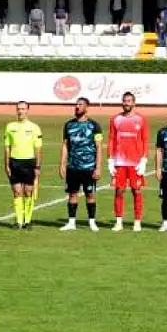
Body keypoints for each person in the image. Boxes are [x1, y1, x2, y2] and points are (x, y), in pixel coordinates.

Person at [60, 97, 102, 232]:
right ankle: (71, 222)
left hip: (88, 167)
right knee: (72, 194)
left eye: (80, 104)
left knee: (90, 195)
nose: (77, 107)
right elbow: (65, 145)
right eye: (76, 104)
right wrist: (62, 164)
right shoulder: (68, 125)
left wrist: (98, 167)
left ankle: (92, 222)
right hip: (72, 167)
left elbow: (99, 147)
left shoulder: (94, 126)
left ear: (86, 107)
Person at [108, 92, 149, 232]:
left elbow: (145, 140)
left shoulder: (141, 120)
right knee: (119, 190)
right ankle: (119, 221)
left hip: (135, 162)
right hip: (119, 162)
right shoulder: (115, 119)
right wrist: (110, 159)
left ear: (134, 103)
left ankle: (137, 221)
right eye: (124, 101)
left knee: (136, 191)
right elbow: (112, 139)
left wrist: (144, 159)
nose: (126, 103)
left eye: (129, 101)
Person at [4, 101, 42, 229]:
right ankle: (19, 221)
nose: (20, 111)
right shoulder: (10, 127)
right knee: (16, 192)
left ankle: (28, 220)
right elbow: (7, 147)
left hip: (29, 162)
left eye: (23, 109)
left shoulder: (34, 127)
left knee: (28, 192)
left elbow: (38, 148)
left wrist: (37, 166)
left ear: (27, 110)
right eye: (18, 109)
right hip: (14, 162)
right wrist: (7, 164)